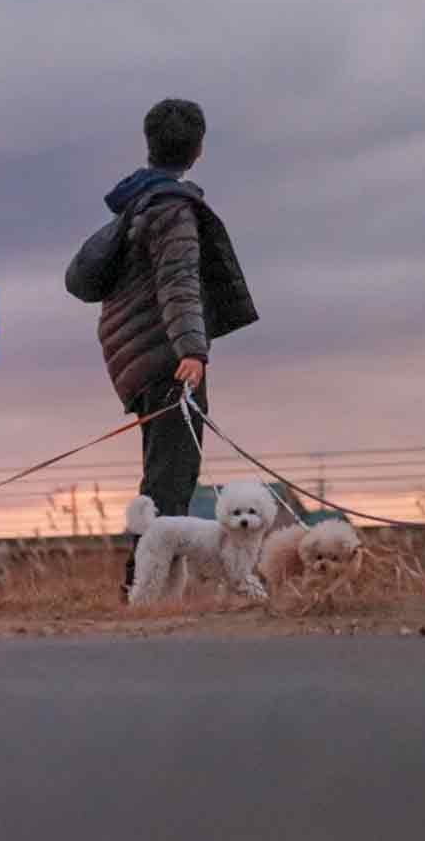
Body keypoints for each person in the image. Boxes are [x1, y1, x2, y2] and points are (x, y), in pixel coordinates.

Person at [67, 99, 259, 600]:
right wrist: (192, 351)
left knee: (164, 474)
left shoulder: (140, 205)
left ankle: (151, 589)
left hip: (136, 359)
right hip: (167, 358)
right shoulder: (172, 209)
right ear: (198, 149)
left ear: (150, 144)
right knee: (172, 479)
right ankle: (142, 591)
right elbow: (179, 283)